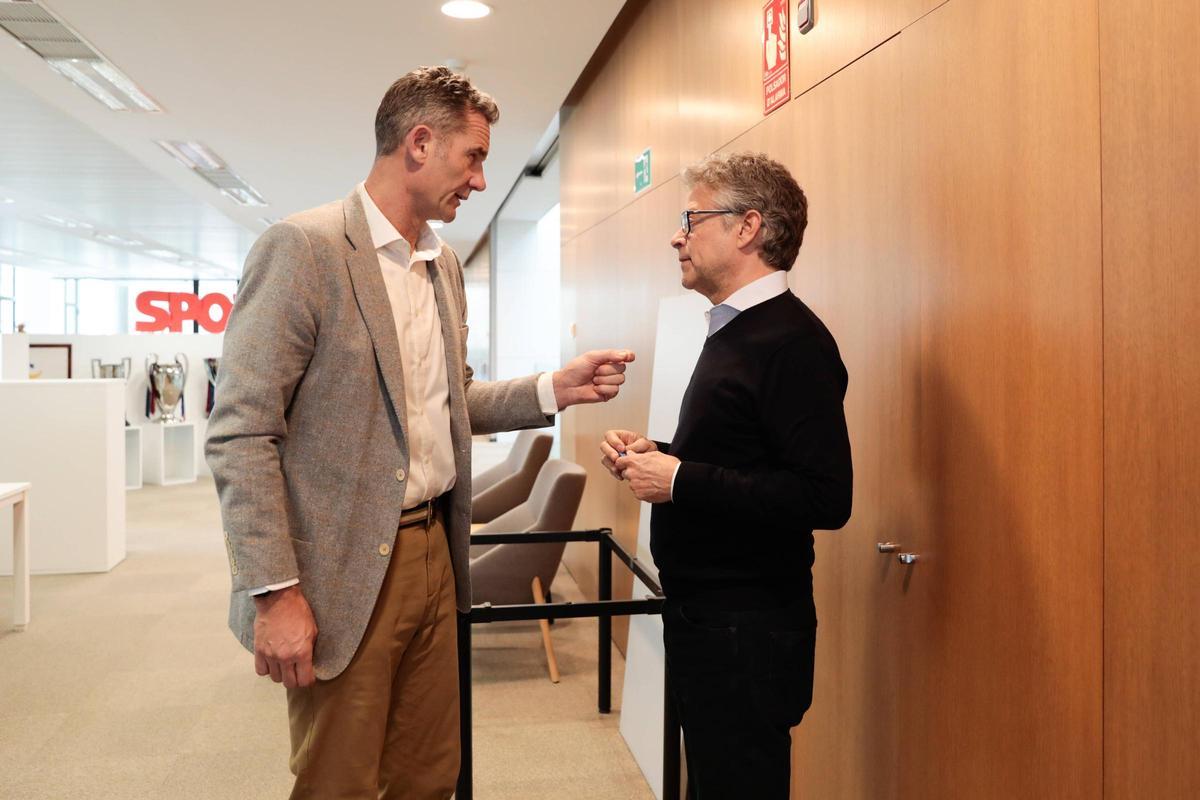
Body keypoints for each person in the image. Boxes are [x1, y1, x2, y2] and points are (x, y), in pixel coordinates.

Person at [206, 66, 634, 800]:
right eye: (474, 157)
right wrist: (274, 592)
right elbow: (241, 432)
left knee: (431, 774)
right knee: (340, 780)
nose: (479, 180)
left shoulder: (442, 266)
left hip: (438, 549)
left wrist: (552, 389)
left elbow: (448, 401)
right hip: (342, 567)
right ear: (420, 142)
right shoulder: (304, 249)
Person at [600, 151, 851, 798]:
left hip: (749, 631)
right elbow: (738, 455)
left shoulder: (792, 342)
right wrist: (656, 454)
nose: (676, 236)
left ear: (747, 228)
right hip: (710, 620)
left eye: (692, 219)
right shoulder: (737, 331)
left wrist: (678, 480)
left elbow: (825, 495)